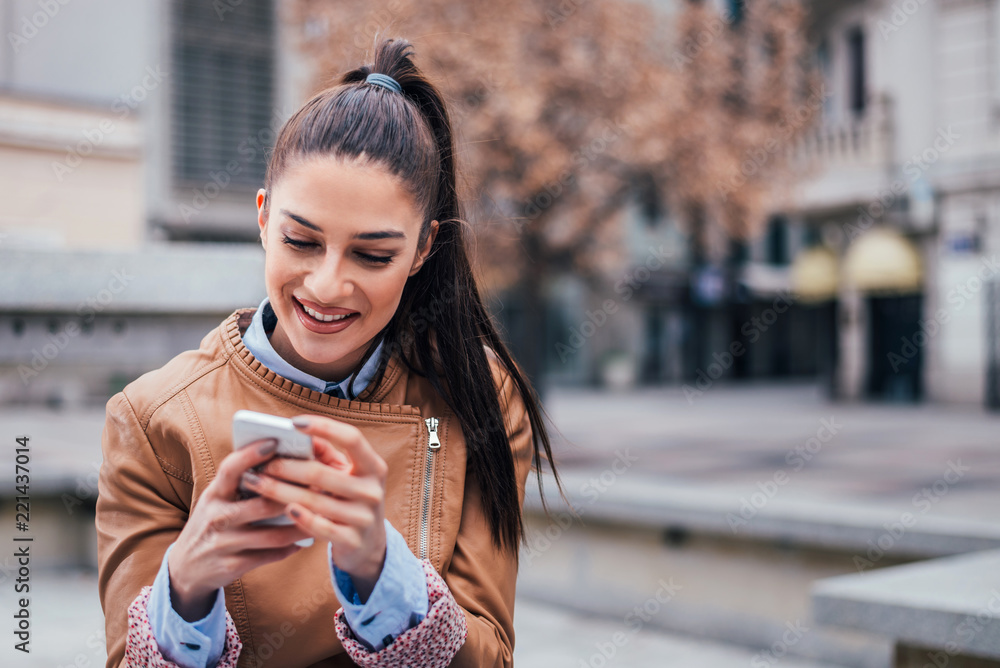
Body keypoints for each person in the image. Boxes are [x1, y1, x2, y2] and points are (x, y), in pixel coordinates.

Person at [96, 38, 561, 668]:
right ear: (263, 219)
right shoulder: (152, 419)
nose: (326, 286)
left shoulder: (481, 392)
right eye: (300, 240)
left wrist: (381, 568)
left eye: (373, 255)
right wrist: (186, 587)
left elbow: (491, 659)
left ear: (423, 250)